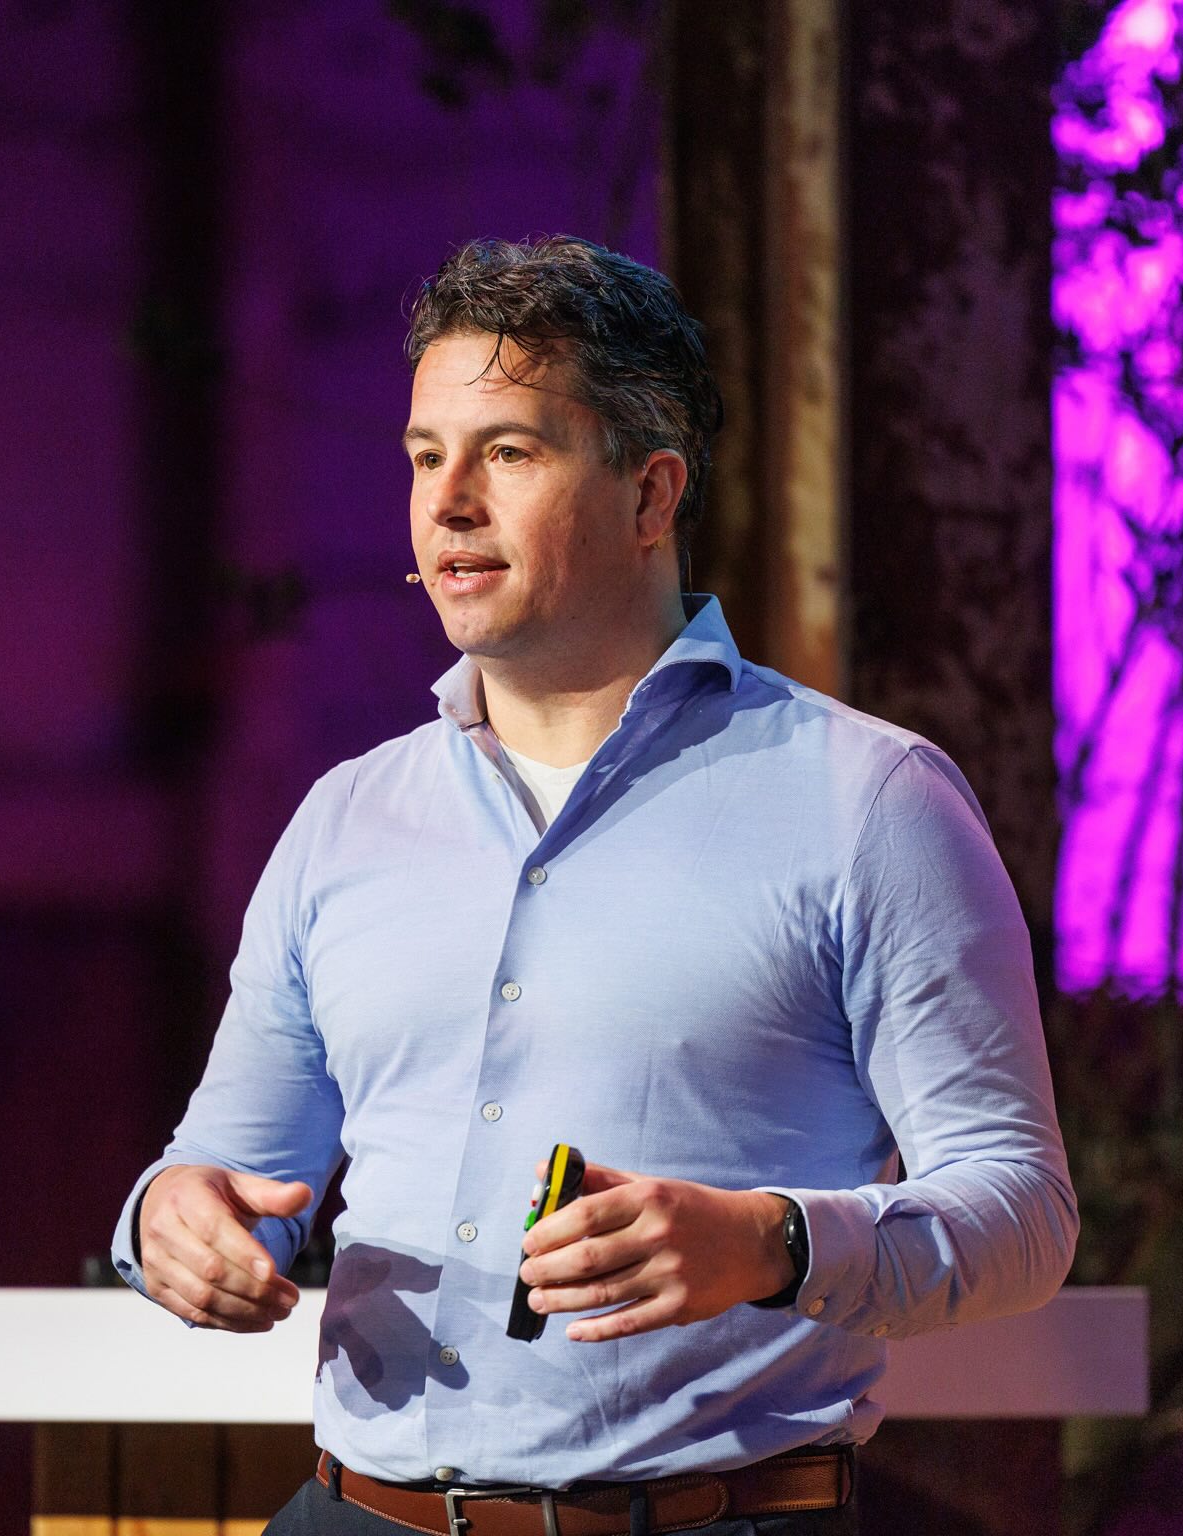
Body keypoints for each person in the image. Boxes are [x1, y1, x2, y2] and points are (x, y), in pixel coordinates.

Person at [110, 235, 1077, 1536]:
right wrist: (172, 1220)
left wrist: (772, 1242)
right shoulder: (346, 821)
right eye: (424, 458)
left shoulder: (867, 800)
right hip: (358, 1513)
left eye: (508, 452)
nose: (449, 503)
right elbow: (227, 1168)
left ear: (650, 494)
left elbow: (1021, 1213)